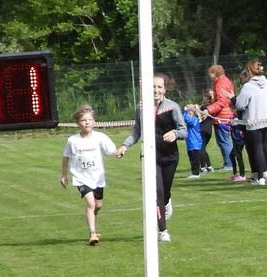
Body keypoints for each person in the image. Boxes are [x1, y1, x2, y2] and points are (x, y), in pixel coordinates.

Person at [118, 76, 183, 240]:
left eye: (159, 87)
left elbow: (184, 130)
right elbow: (136, 132)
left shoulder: (172, 107)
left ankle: (167, 202)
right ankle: (162, 230)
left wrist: (175, 133)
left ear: (165, 89)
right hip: (150, 157)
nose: (156, 90)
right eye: (153, 86)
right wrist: (125, 146)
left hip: (170, 156)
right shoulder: (141, 108)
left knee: (165, 192)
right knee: (157, 193)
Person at [59, 105, 115, 245]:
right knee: (90, 203)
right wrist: (64, 175)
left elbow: (111, 150)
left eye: (89, 119)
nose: (87, 122)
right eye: (84, 120)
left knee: (98, 205)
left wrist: (118, 152)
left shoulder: (100, 137)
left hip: (97, 178)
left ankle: (93, 220)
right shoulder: (73, 140)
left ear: (94, 121)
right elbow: (66, 157)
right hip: (81, 178)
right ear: (78, 123)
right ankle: (92, 234)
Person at [234, 58, 267, 185]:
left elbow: (240, 104)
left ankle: (261, 177)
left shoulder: (248, 86)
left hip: (254, 121)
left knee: (257, 148)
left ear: (249, 71)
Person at [205, 64, 241, 178]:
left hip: (222, 116)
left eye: (210, 73)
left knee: (224, 141)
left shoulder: (219, 83)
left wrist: (208, 109)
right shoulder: (226, 81)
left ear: (215, 73)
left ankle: (228, 164)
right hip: (228, 114)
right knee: (226, 140)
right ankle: (229, 163)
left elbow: (221, 102)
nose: (209, 75)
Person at [182, 103, 209, 177]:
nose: (188, 113)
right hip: (191, 142)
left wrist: (185, 111)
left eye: (190, 111)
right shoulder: (193, 119)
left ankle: (196, 173)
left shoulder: (194, 120)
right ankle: (194, 172)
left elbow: (186, 119)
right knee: (191, 158)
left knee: (194, 158)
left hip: (194, 142)